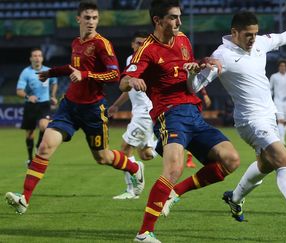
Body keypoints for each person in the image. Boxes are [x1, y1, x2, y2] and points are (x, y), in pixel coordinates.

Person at [182, 10, 286, 227]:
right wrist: (192, 73)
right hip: (250, 121)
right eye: (248, 35)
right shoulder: (221, 56)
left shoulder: (259, 44)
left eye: (255, 34)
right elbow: (195, 87)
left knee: (265, 165)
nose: (253, 39)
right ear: (234, 32)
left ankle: (234, 198)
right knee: (284, 160)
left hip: (269, 116)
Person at [5, 1, 144, 215]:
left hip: (93, 110)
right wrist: (51, 73)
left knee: (102, 158)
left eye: (94, 18)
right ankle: (24, 199)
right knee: (44, 147)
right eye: (87, 17)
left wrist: (86, 75)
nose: (91, 22)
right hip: (69, 107)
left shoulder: (102, 44)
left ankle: (134, 168)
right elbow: (73, 68)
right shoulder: (75, 42)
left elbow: (115, 75)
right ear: (78, 19)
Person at [119, 1, 240, 242]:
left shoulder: (183, 39)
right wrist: (131, 82)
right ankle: (144, 233)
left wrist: (204, 62)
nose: (179, 22)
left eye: (179, 17)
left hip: (193, 114)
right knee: (174, 168)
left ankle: (174, 193)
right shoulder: (147, 50)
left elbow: (189, 68)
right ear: (158, 20)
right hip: (169, 115)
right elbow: (124, 80)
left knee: (231, 160)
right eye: (173, 18)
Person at [108, 31, 158, 200]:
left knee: (125, 149)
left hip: (145, 112)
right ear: (132, 44)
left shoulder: (148, 61)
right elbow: (128, 87)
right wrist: (116, 105)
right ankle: (160, 144)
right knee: (146, 155)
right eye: (138, 43)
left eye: (144, 43)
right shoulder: (131, 61)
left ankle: (132, 191)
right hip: (139, 112)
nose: (140, 46)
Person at [16, 48, 58, 163]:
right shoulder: (26, 72)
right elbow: (19, 90)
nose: (37, 58)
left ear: (42, 58)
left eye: (39, 55)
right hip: (30, 105)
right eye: (34, 56)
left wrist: (53, 95)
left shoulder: (48, 71)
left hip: (44, 104)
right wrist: (28, 97)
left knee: (45, 126)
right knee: (29, 134)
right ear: (31, 59)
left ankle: (39, 145)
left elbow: (54, 82)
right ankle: (30, 158)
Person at [269, 59, 286, 145]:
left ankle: (282, 138)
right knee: (280, 120)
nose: (282, 67)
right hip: (277, 101)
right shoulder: (274, 76)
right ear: (278, 67)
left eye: (284, 66)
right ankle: (281, 140)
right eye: (281, 66)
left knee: (285, 121)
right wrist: (269, 100)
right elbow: (270, 89)